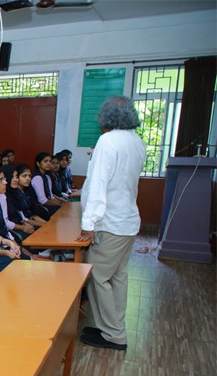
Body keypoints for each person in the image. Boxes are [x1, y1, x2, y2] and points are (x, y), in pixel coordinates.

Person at [78, 96, 146, 351]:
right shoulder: (136, 141)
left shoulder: (108, 141)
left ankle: (112, 334)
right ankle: (115, 328)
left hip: (110, 223)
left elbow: (98, 186)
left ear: (105, 117)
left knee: (97, 276)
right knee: (118, 277)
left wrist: (88, 223)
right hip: (127, 221)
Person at [0, 165, 36, 239]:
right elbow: (5, 223)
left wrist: (25, 224)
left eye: (16, 177)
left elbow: (21, 216)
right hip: (9, 232)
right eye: (12, 177)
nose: (16, 180)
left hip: (20, 225)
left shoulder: (14, 193)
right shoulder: (1, 195)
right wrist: (23, 228)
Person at [30, 152, 62, 216]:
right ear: (38, 164)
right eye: (45, 161)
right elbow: (42, 201)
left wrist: (61, 202)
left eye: (50, 161)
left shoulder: (47, 176)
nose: (48, 163)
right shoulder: (37, 177)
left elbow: (51, 196)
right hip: (39, 208)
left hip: (47, 205)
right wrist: (60, 205)